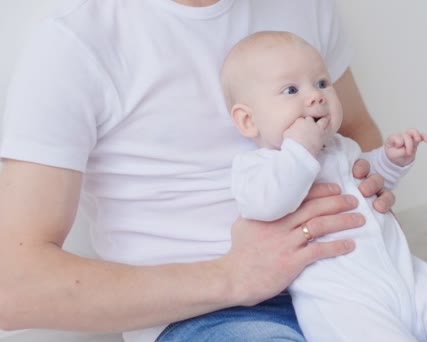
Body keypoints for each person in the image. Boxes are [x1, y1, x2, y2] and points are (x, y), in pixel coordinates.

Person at [0, 1, 396, 341]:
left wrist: (369, 180)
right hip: (209, 315)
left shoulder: (304, 6)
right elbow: (13, 283)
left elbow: (356, 129)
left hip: (352, 276)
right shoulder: (75, 35)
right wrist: (232, 277)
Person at [221, 31, 427, 342]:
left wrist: (391, 160)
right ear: (248, 121)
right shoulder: (258, 167)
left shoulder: (341, 147)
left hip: (407, 278)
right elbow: (269, 203)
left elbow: (371, 187)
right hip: (346, 304)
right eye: (291, 90)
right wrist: (300, 149)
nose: (315, 96)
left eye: (322, 83)